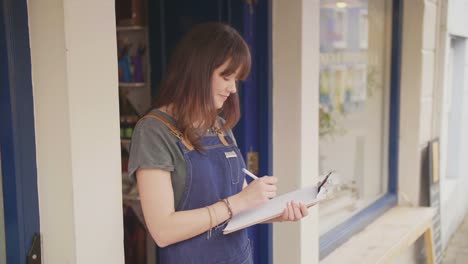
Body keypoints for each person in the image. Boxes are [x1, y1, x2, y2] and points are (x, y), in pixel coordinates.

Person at [128, 22, 309, 264]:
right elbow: (163, 230)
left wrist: (278, 212)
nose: (233, 89)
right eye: (226, 76)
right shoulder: (153, 131)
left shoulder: (219, 126)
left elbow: (241, 207)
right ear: (197, 70)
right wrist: (239, 201)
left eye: (237, 79)